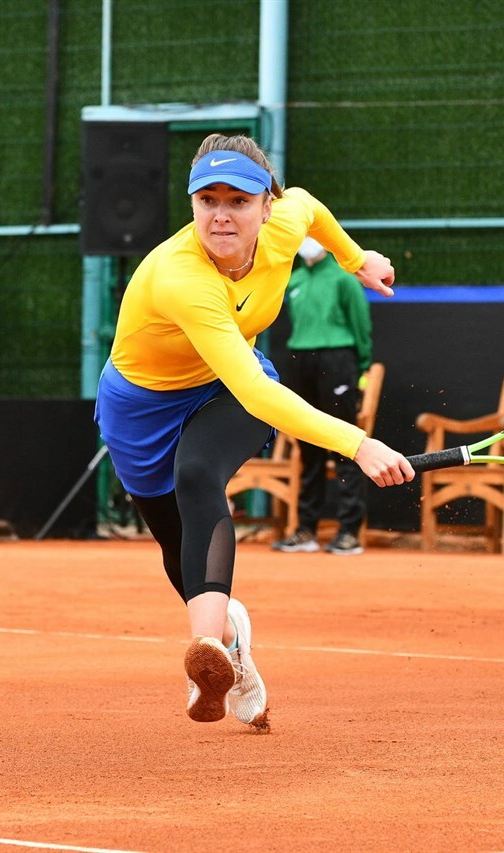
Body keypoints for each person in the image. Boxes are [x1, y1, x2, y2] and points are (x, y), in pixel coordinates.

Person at [94, 134, 414, 731]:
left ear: (267, 206)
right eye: (207, 200)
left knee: (198, 475)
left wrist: (356, 260)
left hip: (226, 385)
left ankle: (204, 654)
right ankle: (230, 644)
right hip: (140, 406)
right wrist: (359, 442)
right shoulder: (180, 276)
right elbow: (257, 391)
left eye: (238, 201)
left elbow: (309, 206)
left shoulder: (285, 222)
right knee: (174, 545)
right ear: (192, 204)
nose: (221, 215)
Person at [272, 236, 373, 556]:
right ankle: (306, 530)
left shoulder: (344, 278)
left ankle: (349, 532)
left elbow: (360, 324)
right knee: (308, 446)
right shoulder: (294, 279)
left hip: (338, 360)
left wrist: (361, 366)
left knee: (346, 444)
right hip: (300, 360)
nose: (307, 242)